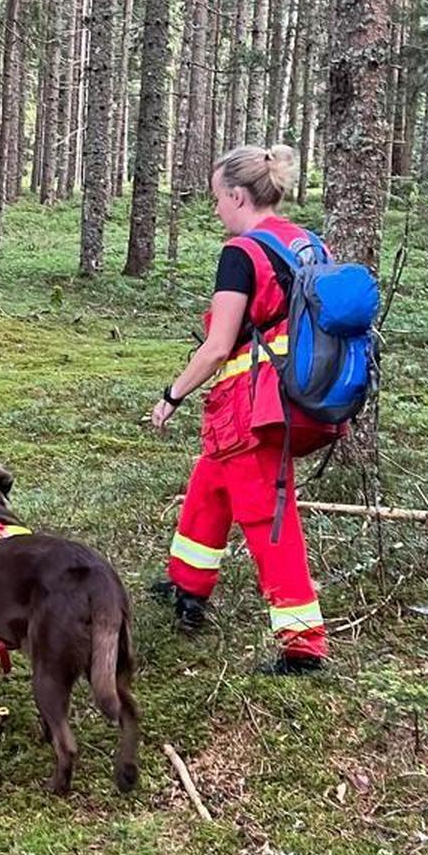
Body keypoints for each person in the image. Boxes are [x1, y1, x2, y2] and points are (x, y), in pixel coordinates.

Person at [149, 143, 340, 674]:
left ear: (237, 195)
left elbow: (216, 347)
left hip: (250, 410)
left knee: (267, 519)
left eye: (217, 200)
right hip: (288, 399)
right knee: (210, 489)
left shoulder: (241, 253)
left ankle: (303, 645)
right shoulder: (307, 243)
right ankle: (187, 588)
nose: (216, 211)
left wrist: (171, 396)